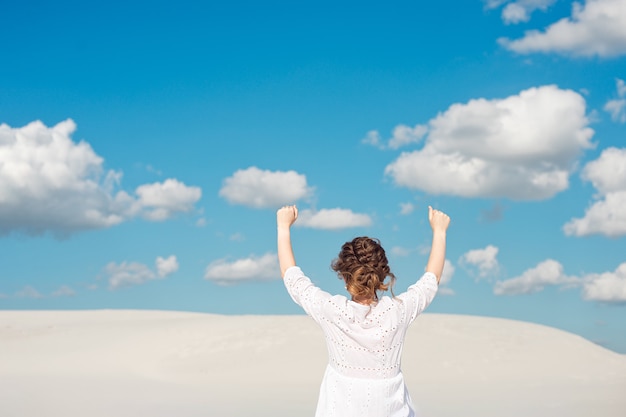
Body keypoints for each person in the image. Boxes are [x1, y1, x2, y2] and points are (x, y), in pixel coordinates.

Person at [276, 204, 450, 417]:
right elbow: (431, 280)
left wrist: (283, 226)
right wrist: (439, 231)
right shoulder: (398, 312)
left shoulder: (332, 310)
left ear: (345, 278)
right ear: (382, 276)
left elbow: (291, 276)